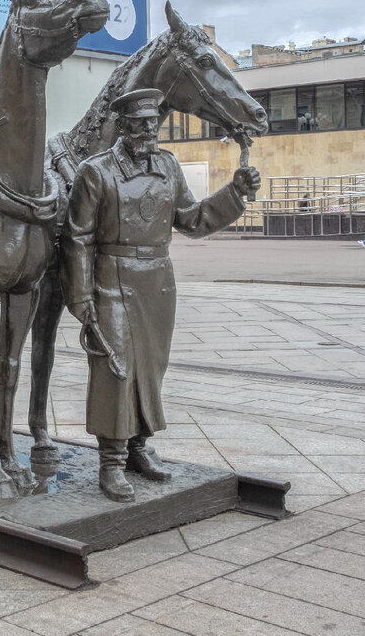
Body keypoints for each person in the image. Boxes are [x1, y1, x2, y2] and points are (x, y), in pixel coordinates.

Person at [60, 88, 261, 503]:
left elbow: (193, 219)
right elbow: (76, 238)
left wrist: (234, 192)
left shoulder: (168, 166)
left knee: (149, 369)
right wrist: (79, 296)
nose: (149, 131)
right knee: (115, 371)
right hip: (111, 279)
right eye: (139, 123)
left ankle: (137, 449)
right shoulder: (95, 171)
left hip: (157, 281)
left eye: (154, 123)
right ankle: (111, 462)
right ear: (123, 125)